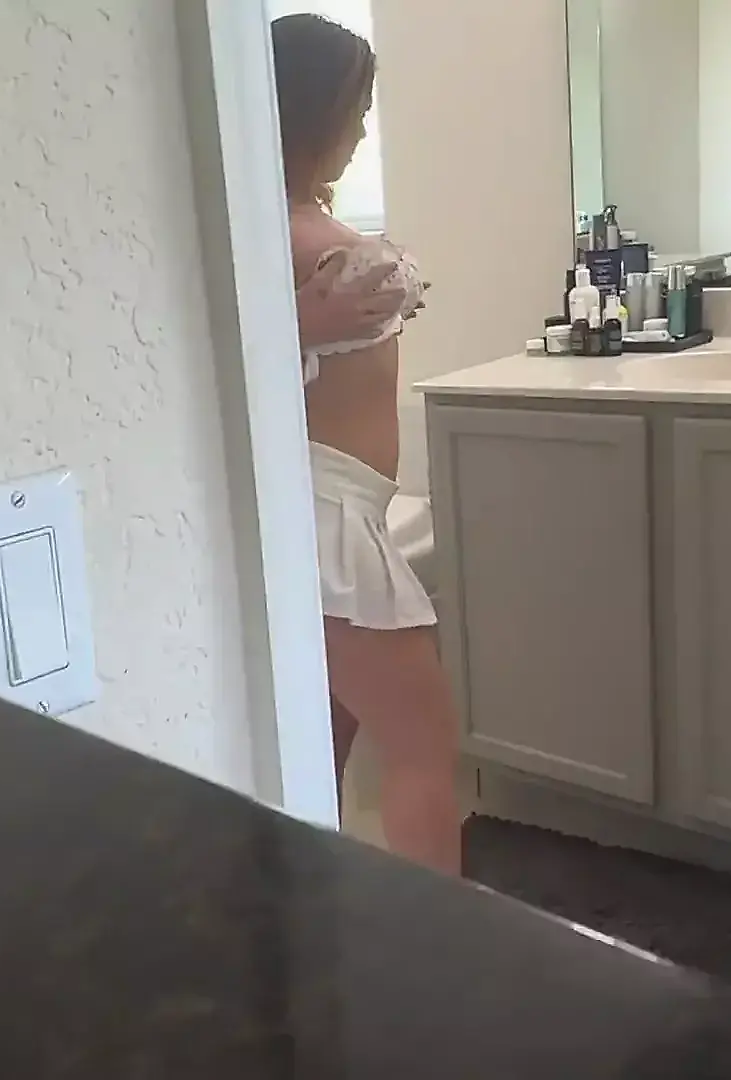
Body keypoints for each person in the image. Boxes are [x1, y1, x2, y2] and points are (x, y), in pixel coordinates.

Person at [273, 13, 460, 876]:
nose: (359, 133)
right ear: (317, 115)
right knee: (422, 747)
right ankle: (445, 935)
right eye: (355, 113)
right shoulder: (298, 237)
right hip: (330, 515)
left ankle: (313, 897)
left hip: (330, 507)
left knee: (326, 737)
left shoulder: (281, 222)